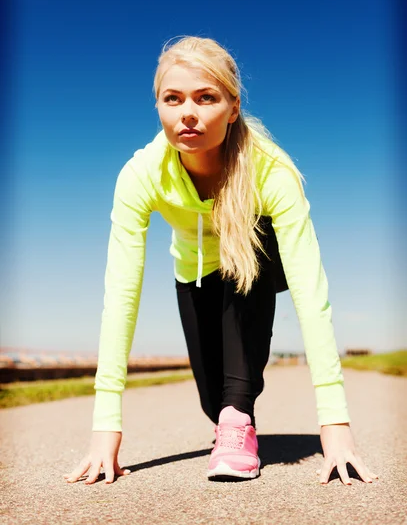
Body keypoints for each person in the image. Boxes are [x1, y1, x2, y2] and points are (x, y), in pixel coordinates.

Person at [64, 35, 379, 486]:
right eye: (172, 99)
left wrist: (335, 426)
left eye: (205, 97)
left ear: (233, 108)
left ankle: (236, 419)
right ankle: (230, 415)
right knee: (214, 399)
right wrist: (104, 430)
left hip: (255, 261)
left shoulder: (272, 170)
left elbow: (312, 294)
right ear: (158, 106)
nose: (187, 112)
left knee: (234, 399)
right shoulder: (140, 174)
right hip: (192, 272)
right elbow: (120, 297)